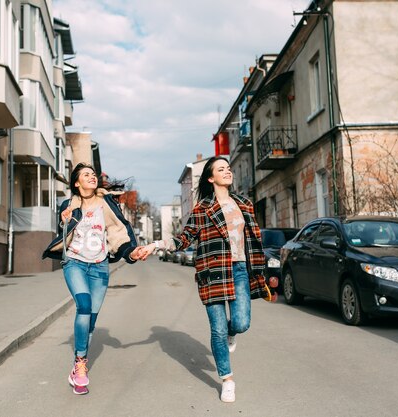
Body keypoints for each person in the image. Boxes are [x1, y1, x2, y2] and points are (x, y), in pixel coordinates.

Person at [135, 156, 270, 403]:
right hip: (212, 272)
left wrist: (261, 270)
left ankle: (233, 334)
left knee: (241, 322)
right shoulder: (202, 208)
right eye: (222, 169)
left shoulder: (245, 204)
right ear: (211, 177)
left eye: (229, 168)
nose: (228, 172)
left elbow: (255, 241)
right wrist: (156, 244)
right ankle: (227, 379)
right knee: (217, 329)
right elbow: (183, 239)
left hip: (240, 269)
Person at [42, 163, 139, 395]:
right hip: (74, 263)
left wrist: (130, 252)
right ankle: (80, 363)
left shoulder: (107, 204)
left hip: (100, 267)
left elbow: (117, 231)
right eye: (86, 175)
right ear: (76, 182)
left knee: (91, 320)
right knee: (83, 306)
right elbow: (63, 226)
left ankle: (79, 360)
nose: (91, 177)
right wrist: (64, 219)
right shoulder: (69, 205)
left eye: (93, 174)